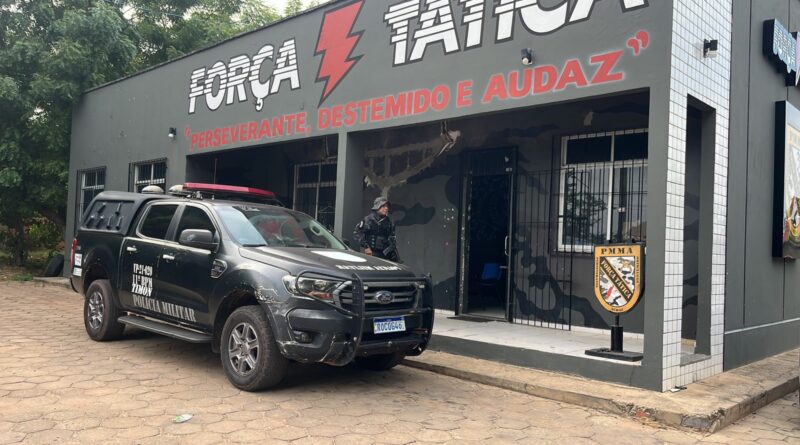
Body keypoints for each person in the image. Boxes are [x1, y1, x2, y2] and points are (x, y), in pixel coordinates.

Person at [354, 197, 399, 261]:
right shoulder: (369, 220)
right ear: (377, 207)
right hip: (371, 254)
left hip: (385, 255)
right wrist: (366, 247)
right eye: (383, 206)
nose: (386, 208)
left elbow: (392, 239)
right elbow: (357, 233)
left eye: (387, 206)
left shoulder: (389, 222)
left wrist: (393, 253)